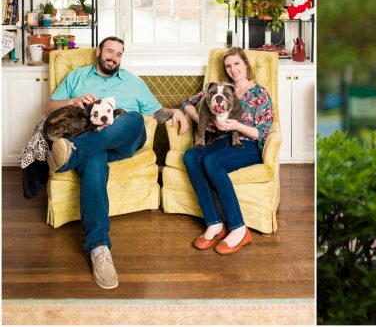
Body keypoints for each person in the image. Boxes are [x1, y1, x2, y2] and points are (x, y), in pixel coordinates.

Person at [46, 36, 190, 290]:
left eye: (119, 54)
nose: (113, 57)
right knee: (95, 161)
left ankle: (73, 153)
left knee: (133, 118)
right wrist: (73, 101)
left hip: (123, 141)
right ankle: (99, 247)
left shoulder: (133, 82)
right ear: (99, 52)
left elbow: (156, 114)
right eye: (110, 51)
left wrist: (174, 112)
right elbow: (48, 108)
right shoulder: (77, 77)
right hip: (93, 143)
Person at [179, 47, 274, 255]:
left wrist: (236, 126)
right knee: (191, 156)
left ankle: (239, 228)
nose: (233, 69)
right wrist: (200, 121)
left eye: (237, 64)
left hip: (246, 145)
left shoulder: (259, 93)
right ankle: (214, 223)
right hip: (220, 142)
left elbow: (263, 132)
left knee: (211, 161)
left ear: (246, 65)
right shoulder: (218, 90)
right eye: (228, 66)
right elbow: (186, 103)